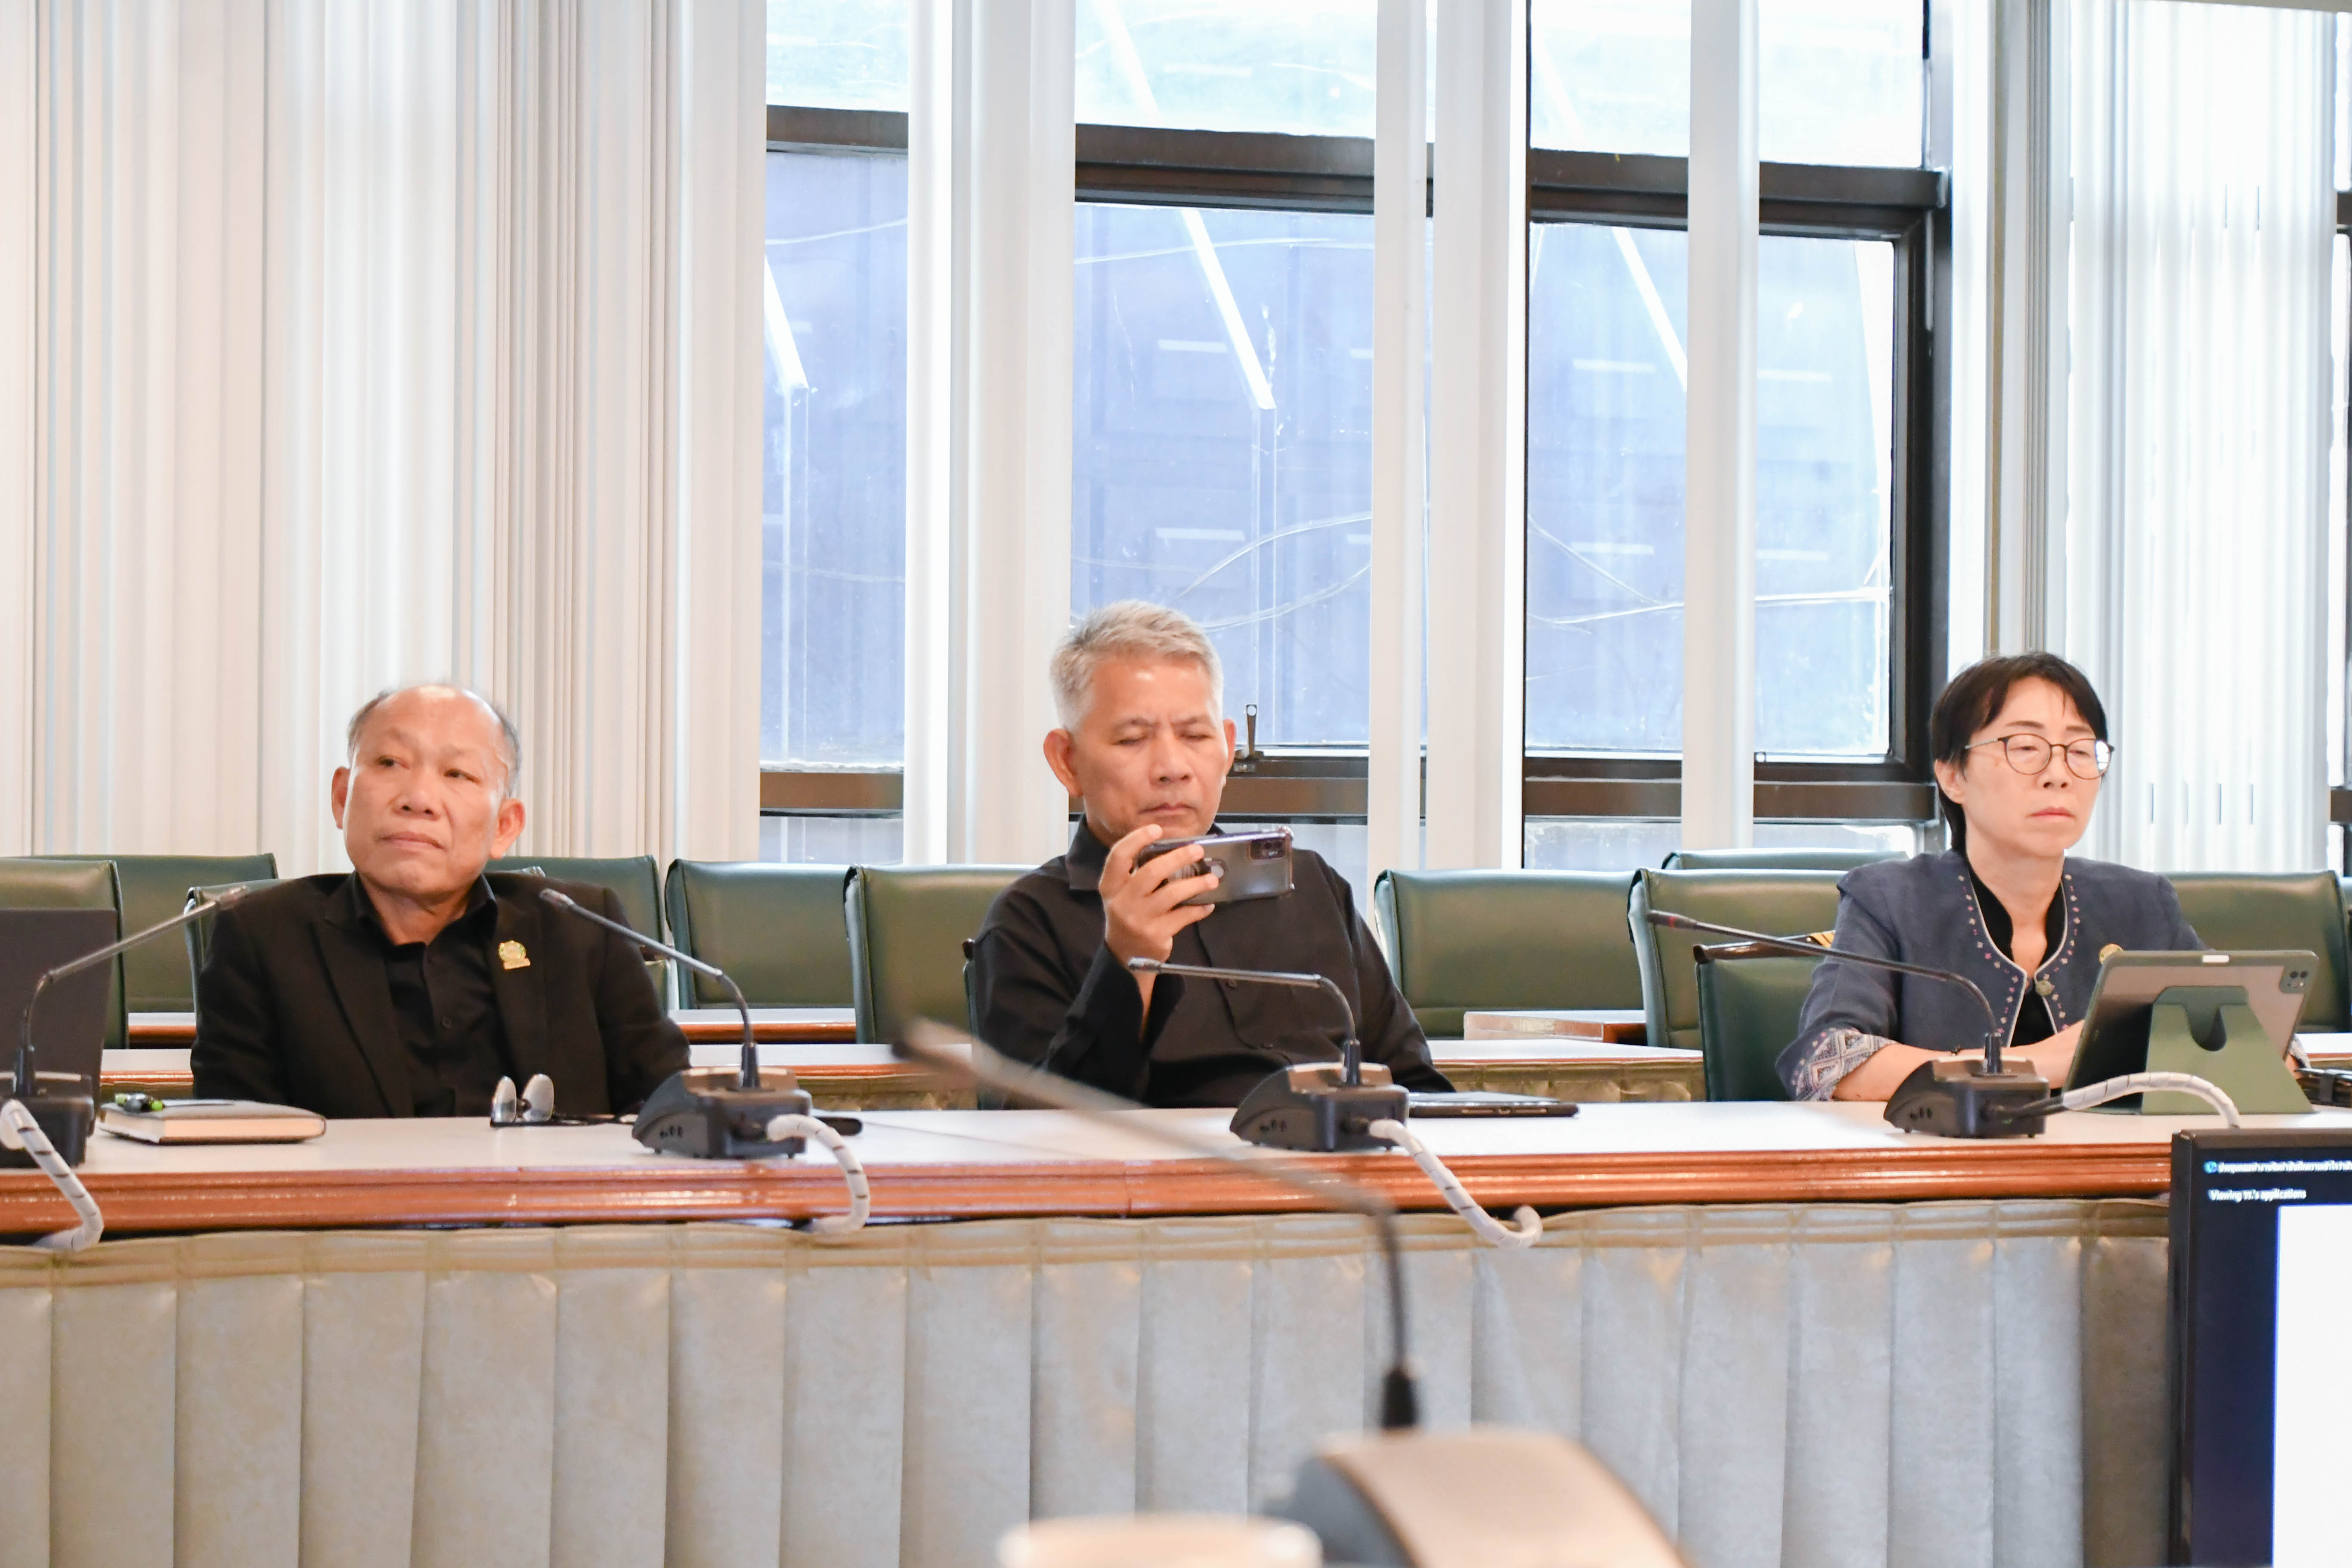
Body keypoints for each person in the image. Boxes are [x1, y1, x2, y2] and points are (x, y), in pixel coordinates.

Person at [969, 601, 1450, 1106]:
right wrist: (1125, 963)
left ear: (1226, 749)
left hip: (1335, 1154)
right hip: (1160, 1161)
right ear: (1067, 762)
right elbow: (1035, 1130)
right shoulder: (1027, 922)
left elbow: (1418, 1086)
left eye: (1195, 735)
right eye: (1132, 740)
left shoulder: (1310, 885)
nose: (1171, 767)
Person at [193, 683, 687, 1117]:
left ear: (504, 825)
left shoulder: (580, 928)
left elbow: (671, 1109)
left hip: (554, 1197)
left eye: (457, 774)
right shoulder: (263, 939)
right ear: (342, 798)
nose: (418, 798)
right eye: (390, 763)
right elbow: (238, 1143)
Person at [1780, 652, 2202, 1101]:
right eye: (2025, 748)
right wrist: (2033, 1064)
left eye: (2080, 751)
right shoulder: (1890, 900)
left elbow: (2240, 1034)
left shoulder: (2143, 903)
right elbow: (1825, 1064)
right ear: (1953, 776)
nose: (2058, 775)